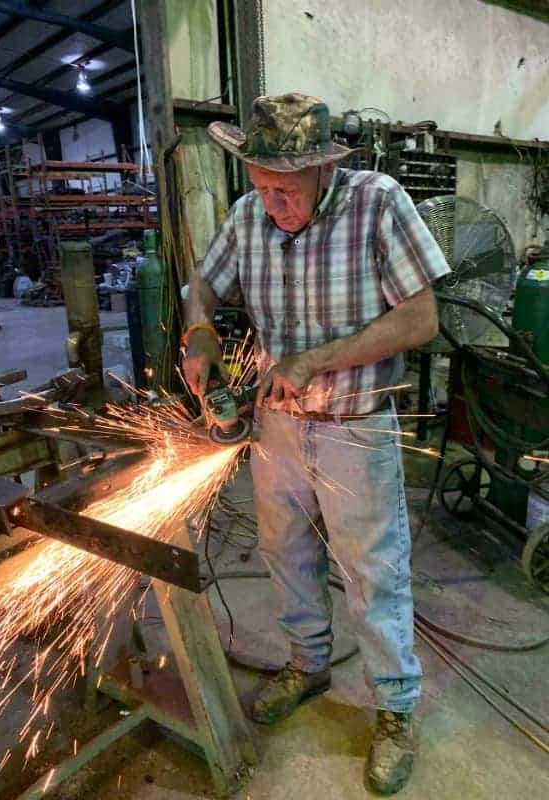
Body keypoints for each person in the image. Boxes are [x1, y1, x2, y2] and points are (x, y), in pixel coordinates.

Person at [183, 93, 450, 795]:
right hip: (277, 427)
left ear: (325, 170)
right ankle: (309, 661)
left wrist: (314, 359)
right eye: (264, 186)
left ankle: (395, 706)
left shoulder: (378, 203)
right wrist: (200, 337)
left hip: (355, 424)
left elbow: (422, 318)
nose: (275, 204)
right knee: (284, 551)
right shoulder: (247, 217)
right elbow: (200, 289)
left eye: (289, 190)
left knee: (372, 569)